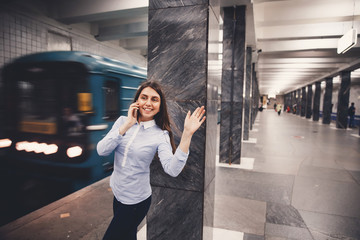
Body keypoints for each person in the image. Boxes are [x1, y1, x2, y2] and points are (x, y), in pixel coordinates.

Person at [97, 81, 206, 240]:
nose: (148, 103)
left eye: (154, 99)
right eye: (144, 97)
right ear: (137, 101)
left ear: (160, 105)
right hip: (118, 196)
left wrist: (187, 134)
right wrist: (127, 125)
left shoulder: (160, 135)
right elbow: (102, 150)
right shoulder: (122, 122)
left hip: (136, 203)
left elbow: (172, 169)